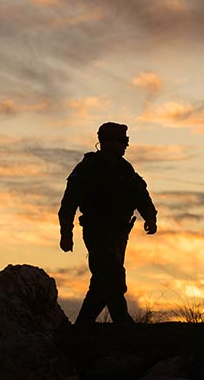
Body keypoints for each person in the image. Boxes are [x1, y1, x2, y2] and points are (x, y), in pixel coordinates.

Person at [59, 122, 157, 326]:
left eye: (127, 140)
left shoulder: (125, 169)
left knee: (101, 283)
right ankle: (124, 324)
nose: (126, 145)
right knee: (113, 276)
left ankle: (82, 327)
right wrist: (66, 234)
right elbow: (68, 204)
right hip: (97, 232)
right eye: (122, 141)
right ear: (107, 142)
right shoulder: (87, 168)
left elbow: (140, 193)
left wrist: (150, 216)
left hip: (120, 235)